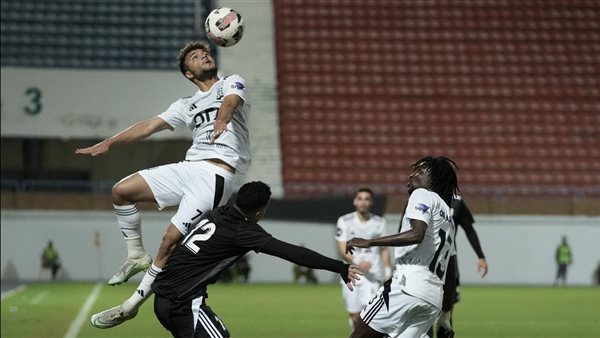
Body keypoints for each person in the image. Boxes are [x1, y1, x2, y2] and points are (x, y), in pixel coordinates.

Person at [77, 40, 252, 328]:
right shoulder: (186, 105)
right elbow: (148, 125)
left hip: (216, 176)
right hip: (189, 167)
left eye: (205, 53)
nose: (203, 56)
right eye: (196, 57)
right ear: (188, 74)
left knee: (170, 240)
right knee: (121, 191)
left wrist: (222, 119)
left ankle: (131, 305)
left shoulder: (231, 82)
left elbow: (232, 102)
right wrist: (110, 141)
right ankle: (135, 254)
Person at [150, 181, 361, 337]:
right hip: (183, 303)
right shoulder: (244, 231)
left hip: (163, 297)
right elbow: (292, 252)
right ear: (259, 213)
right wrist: (339, 267)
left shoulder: (217, 213)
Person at [346, 156, 460, 338]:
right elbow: (451, 271)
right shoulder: (448, 216)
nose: (411, 175)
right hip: (433, 299)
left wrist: (370, 242)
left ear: (432, 179)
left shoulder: (422, 194)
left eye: (419, 172)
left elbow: (416, 234)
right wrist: (446, 315)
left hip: (407, 286)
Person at [430, 196, 488, 338]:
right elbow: (404, 228)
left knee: (447, 310)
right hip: (424, 263)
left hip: (448, 262)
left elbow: (468, 229)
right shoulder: (422, 197)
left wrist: (480, 256)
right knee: (422, 307)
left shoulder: (457, 202)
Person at [335, 187, 391, 329]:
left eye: (367, 199)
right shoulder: (344, 221)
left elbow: (384, 248)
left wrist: (388, 271)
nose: (363, 202)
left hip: (373, 275)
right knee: (355, 316)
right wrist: (358, 262)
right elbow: (342, 248)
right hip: (351, 273)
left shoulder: (380, 222)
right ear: (355, 201)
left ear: (371, 202)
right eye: (360, 198)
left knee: (369, 315)